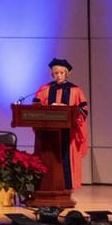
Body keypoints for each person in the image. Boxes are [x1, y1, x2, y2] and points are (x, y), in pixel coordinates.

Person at [29, 57, 89, 190]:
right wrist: (50, 106)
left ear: (66, 73)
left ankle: (67, 187)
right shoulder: (44, 89)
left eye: (61, 73)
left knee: (66, 160)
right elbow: (36, 106)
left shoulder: (75, 90)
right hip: (48, 132)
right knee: (47, 158)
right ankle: (47, 186)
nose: (59, 75)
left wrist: (66, 107)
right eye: (56, 73)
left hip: (68, 134)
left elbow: (83, 110)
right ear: (53, 74)